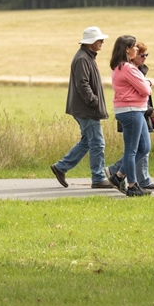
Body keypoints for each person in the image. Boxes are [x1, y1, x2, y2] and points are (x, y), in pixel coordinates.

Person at [51, 26, 115, 189]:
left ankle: (61, 167)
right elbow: (83, 84)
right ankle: (99, 178)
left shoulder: (86, 56)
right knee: (97, 143)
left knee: (87, 141)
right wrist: (93, 101)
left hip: (85, 108)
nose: (102, 42)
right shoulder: (82, 59)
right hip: (87, 109)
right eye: (99, 40)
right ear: (91, 42)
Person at [106, 41, 154, 192]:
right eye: (135, 48)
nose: (138, 51)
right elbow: (145, 90)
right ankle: (132, 186)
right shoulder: (126, 68)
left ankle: (118, 175)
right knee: (131, 150)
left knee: (144, 147)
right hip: (130, 111)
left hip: (137, 110)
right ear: (127, 50)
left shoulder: (127, 67)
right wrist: (148, 83)